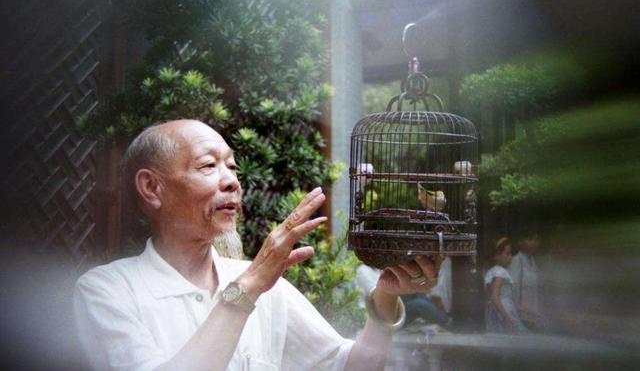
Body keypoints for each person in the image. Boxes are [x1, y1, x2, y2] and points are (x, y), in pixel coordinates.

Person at [74, 119, 441, 370]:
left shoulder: (265, 285)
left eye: (232, 167)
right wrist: (247, 289)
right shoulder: (108, 290)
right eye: (208, 166)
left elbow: (349, 366)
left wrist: (386, 297)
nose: (232, 182)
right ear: (152, 188)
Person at [484, 237, 527, 333]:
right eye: (507, 254)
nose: (510, 257)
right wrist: (506, 318)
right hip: (504, 308)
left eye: (510, 254)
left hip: (496, 309)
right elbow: (495, 296)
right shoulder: (500, 272)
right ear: (496, 256)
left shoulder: (491, 271)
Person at [509, 234, 543, 329]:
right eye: (530, 239)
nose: (534, 243)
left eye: (536, 240)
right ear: (520, 242)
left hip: (533, 315)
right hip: (521, 316)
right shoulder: (516, 261)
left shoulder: (533, 261)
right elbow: (513, 290)